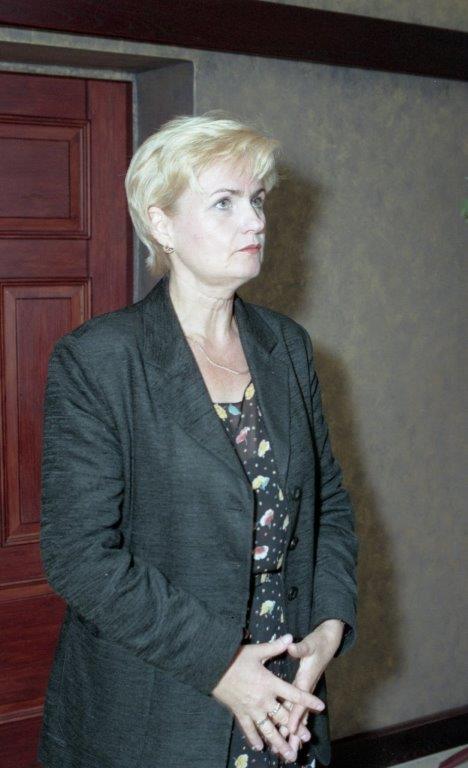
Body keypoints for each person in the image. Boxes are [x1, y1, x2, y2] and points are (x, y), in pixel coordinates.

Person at [37, 111, 358, 768]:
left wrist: (329, 623)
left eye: (257, 200)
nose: (255, 222)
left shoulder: (286, 347)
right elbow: (80, 558)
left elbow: (326, 501)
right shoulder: (100, 360)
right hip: (158, 701)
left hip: (286, 690)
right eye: (224, 203)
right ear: (162, 224)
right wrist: (222, 665)